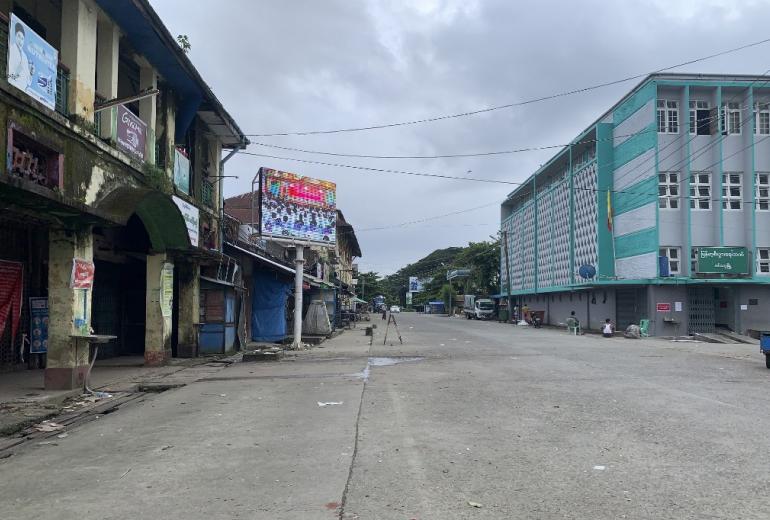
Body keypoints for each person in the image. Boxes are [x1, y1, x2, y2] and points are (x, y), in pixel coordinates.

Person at [8, 22, 33, 91]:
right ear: (15, 36)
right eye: (19, 36)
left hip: (23, 90)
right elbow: (9, 77)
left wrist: (30, 73)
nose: (20, 41)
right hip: (13, 88)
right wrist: (17, 72)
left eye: (22, 38)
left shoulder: (25, 57)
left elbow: (29, 82)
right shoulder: (11, 50)